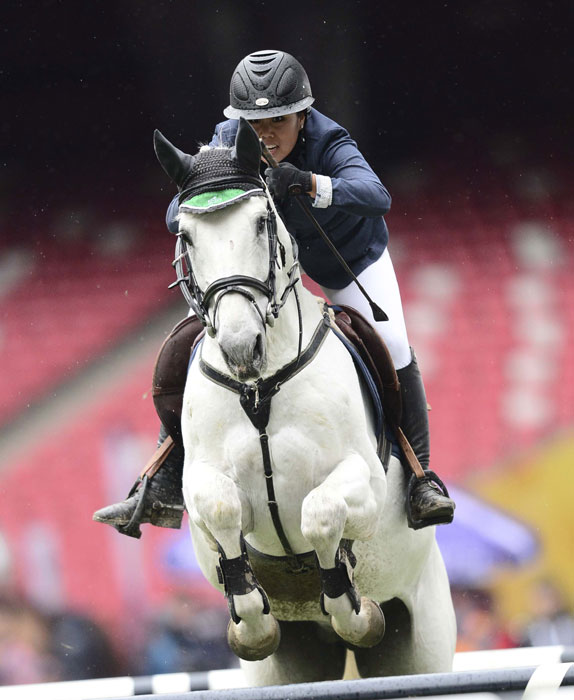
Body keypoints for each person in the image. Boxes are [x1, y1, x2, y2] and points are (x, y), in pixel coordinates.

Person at [94, 49, 455, 535]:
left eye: (278, 121)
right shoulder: (227, 143)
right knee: (199, 340)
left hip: (344, 258)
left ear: (303, 116)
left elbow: (377, 197)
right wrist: (209, 193)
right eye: (253, 123)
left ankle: (419, 479)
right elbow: (174, 214)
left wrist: (310, 183)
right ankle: (162, 481)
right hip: (268, 269)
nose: (264, 135)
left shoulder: (329, 140)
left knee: (391, 347)